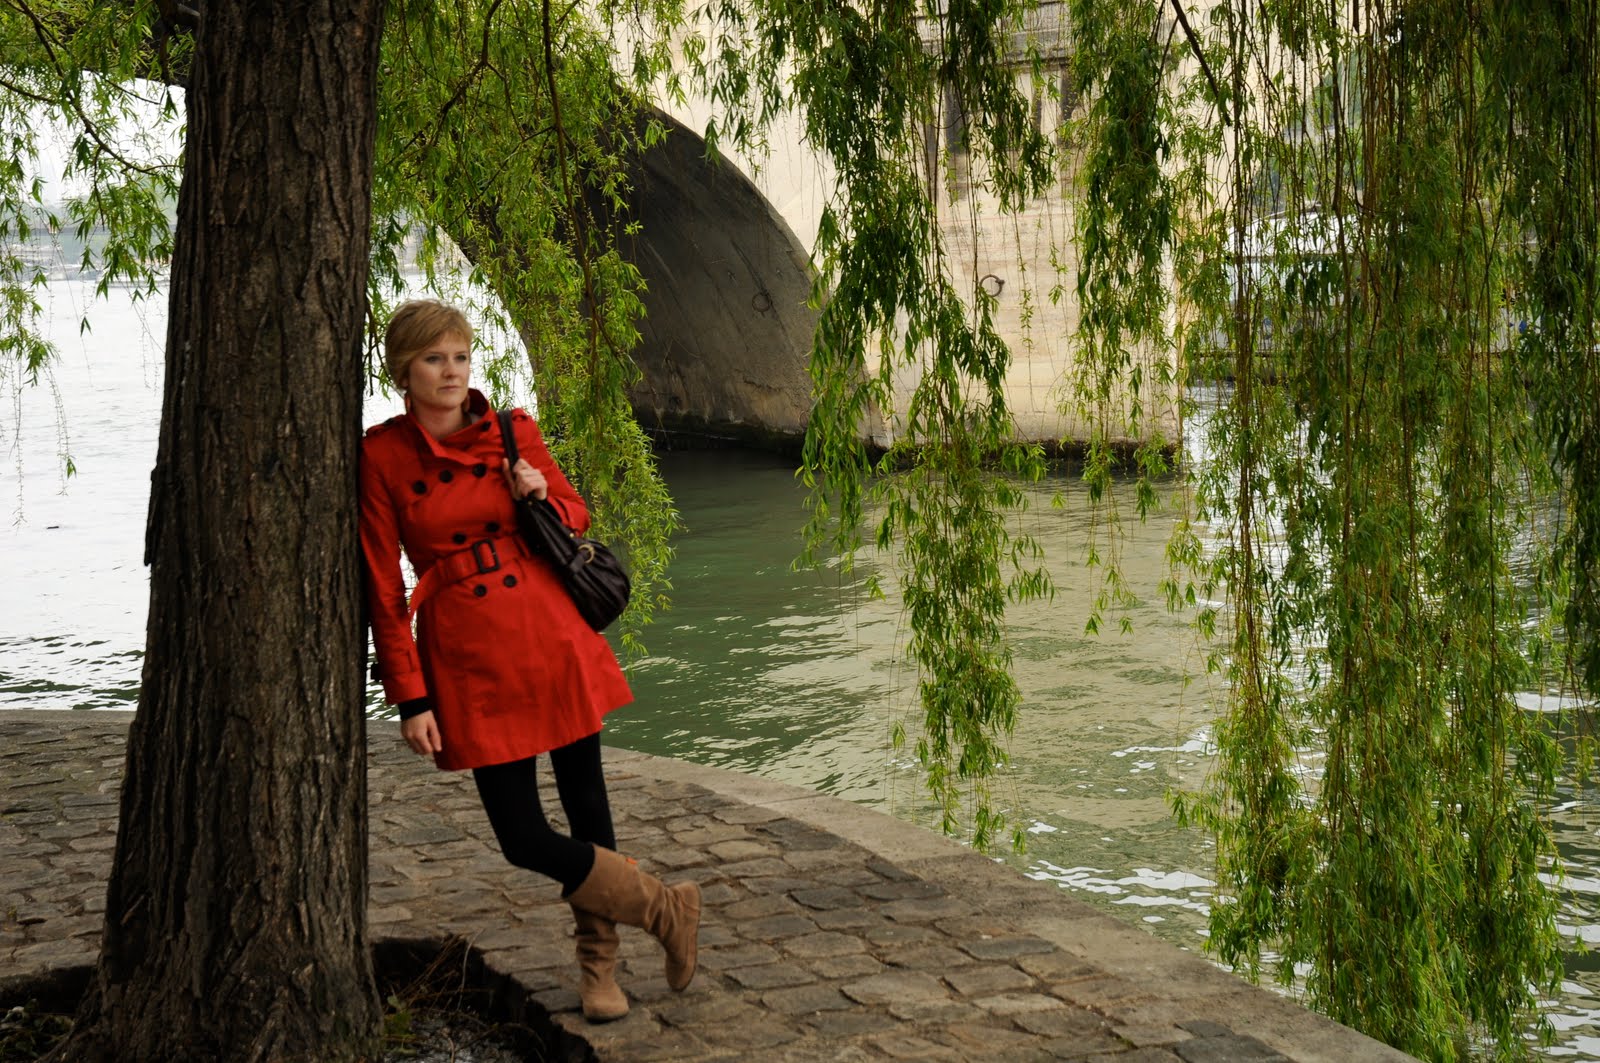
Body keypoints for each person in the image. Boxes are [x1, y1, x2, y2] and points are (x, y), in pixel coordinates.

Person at [359, 298, 699, 1023]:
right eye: (433, 359)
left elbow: (575, 516)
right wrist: (410, 696)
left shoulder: (513, 430)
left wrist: (544, 493)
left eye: (459, 355)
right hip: (464, 647)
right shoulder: (381, 454)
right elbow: (382, 584)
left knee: (587, 802)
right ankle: (664, 907)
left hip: (546, 625)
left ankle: (598, 967)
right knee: (520, 833)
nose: (451, 372)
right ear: (403, 370)